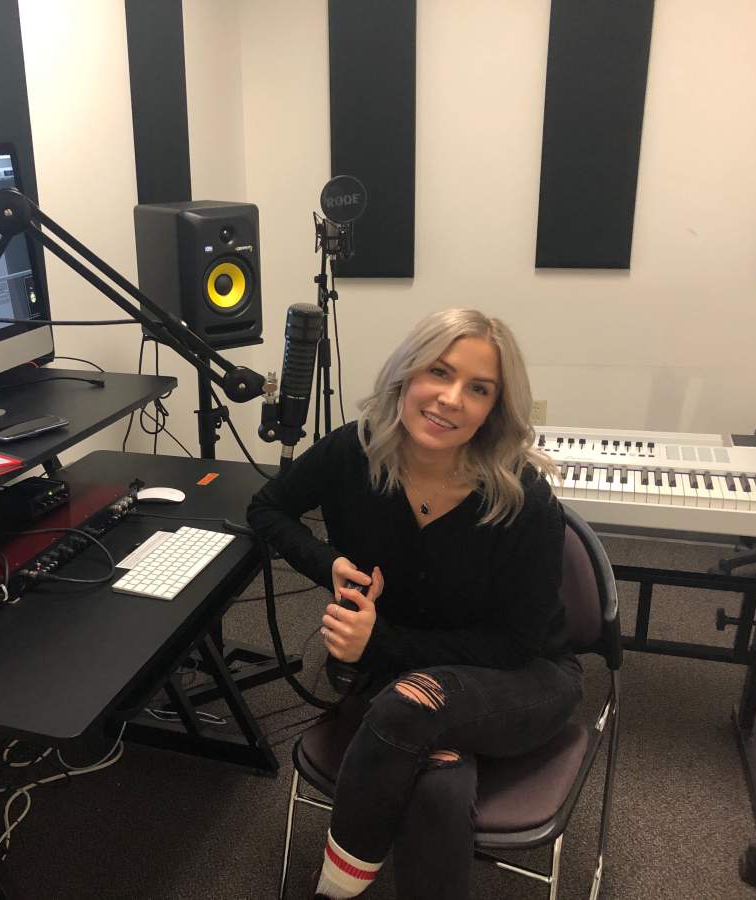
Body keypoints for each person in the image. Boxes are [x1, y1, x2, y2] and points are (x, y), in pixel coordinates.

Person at [247, 308, 581, 899]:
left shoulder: (524, 499)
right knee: (437, 786)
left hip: (521, 677)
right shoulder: (355, 451)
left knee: (412, 701)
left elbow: (515, 643)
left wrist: (376, 640)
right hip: (396, 671)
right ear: (406, 374)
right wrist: (329, 565)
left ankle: (335, 888)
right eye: (439, 372)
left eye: (478, 389)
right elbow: (267, 509)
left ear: (495, 408)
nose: (451, 399)